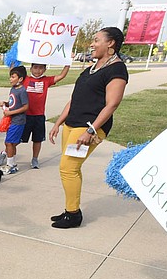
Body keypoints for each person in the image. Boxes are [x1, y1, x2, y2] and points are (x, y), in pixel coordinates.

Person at [48, 27, 128, 229]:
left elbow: (112, 104)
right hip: (71, 124)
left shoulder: (117, 69)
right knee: (72, 168)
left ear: (111, 43)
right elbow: (74, 99)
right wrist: (58, 122)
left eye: (96, 40)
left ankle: (73, 214)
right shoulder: (89, 69)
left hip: (88, 128)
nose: (92, 44)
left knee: (68, 168)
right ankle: (70, 209)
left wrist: (91, 130)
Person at [20, 63, 70, 169]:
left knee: (37, 139)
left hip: (39, 116)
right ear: (31, 68)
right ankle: (6, 153)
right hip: (25, 115)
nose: (38, 70)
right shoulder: (25, 79)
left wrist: (67, 64)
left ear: (45, 69)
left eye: (41, 68)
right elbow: (13, 72)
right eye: (35, 67)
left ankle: (35, 159)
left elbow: (61, 76)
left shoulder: (46, 80)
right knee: (17, 138)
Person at [0, 66, 29, 175]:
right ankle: (13, 164)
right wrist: (5, 103)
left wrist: (11, 113)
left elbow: (25, 107)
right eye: (10, 77)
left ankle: (10, 165)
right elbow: (13, 103)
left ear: (20, 79)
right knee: (11, 143)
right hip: (12, 120)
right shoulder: (13, 89)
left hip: (18, 121)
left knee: (9, 142)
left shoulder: (22, 91)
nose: (10, 79)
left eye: (13, 77)